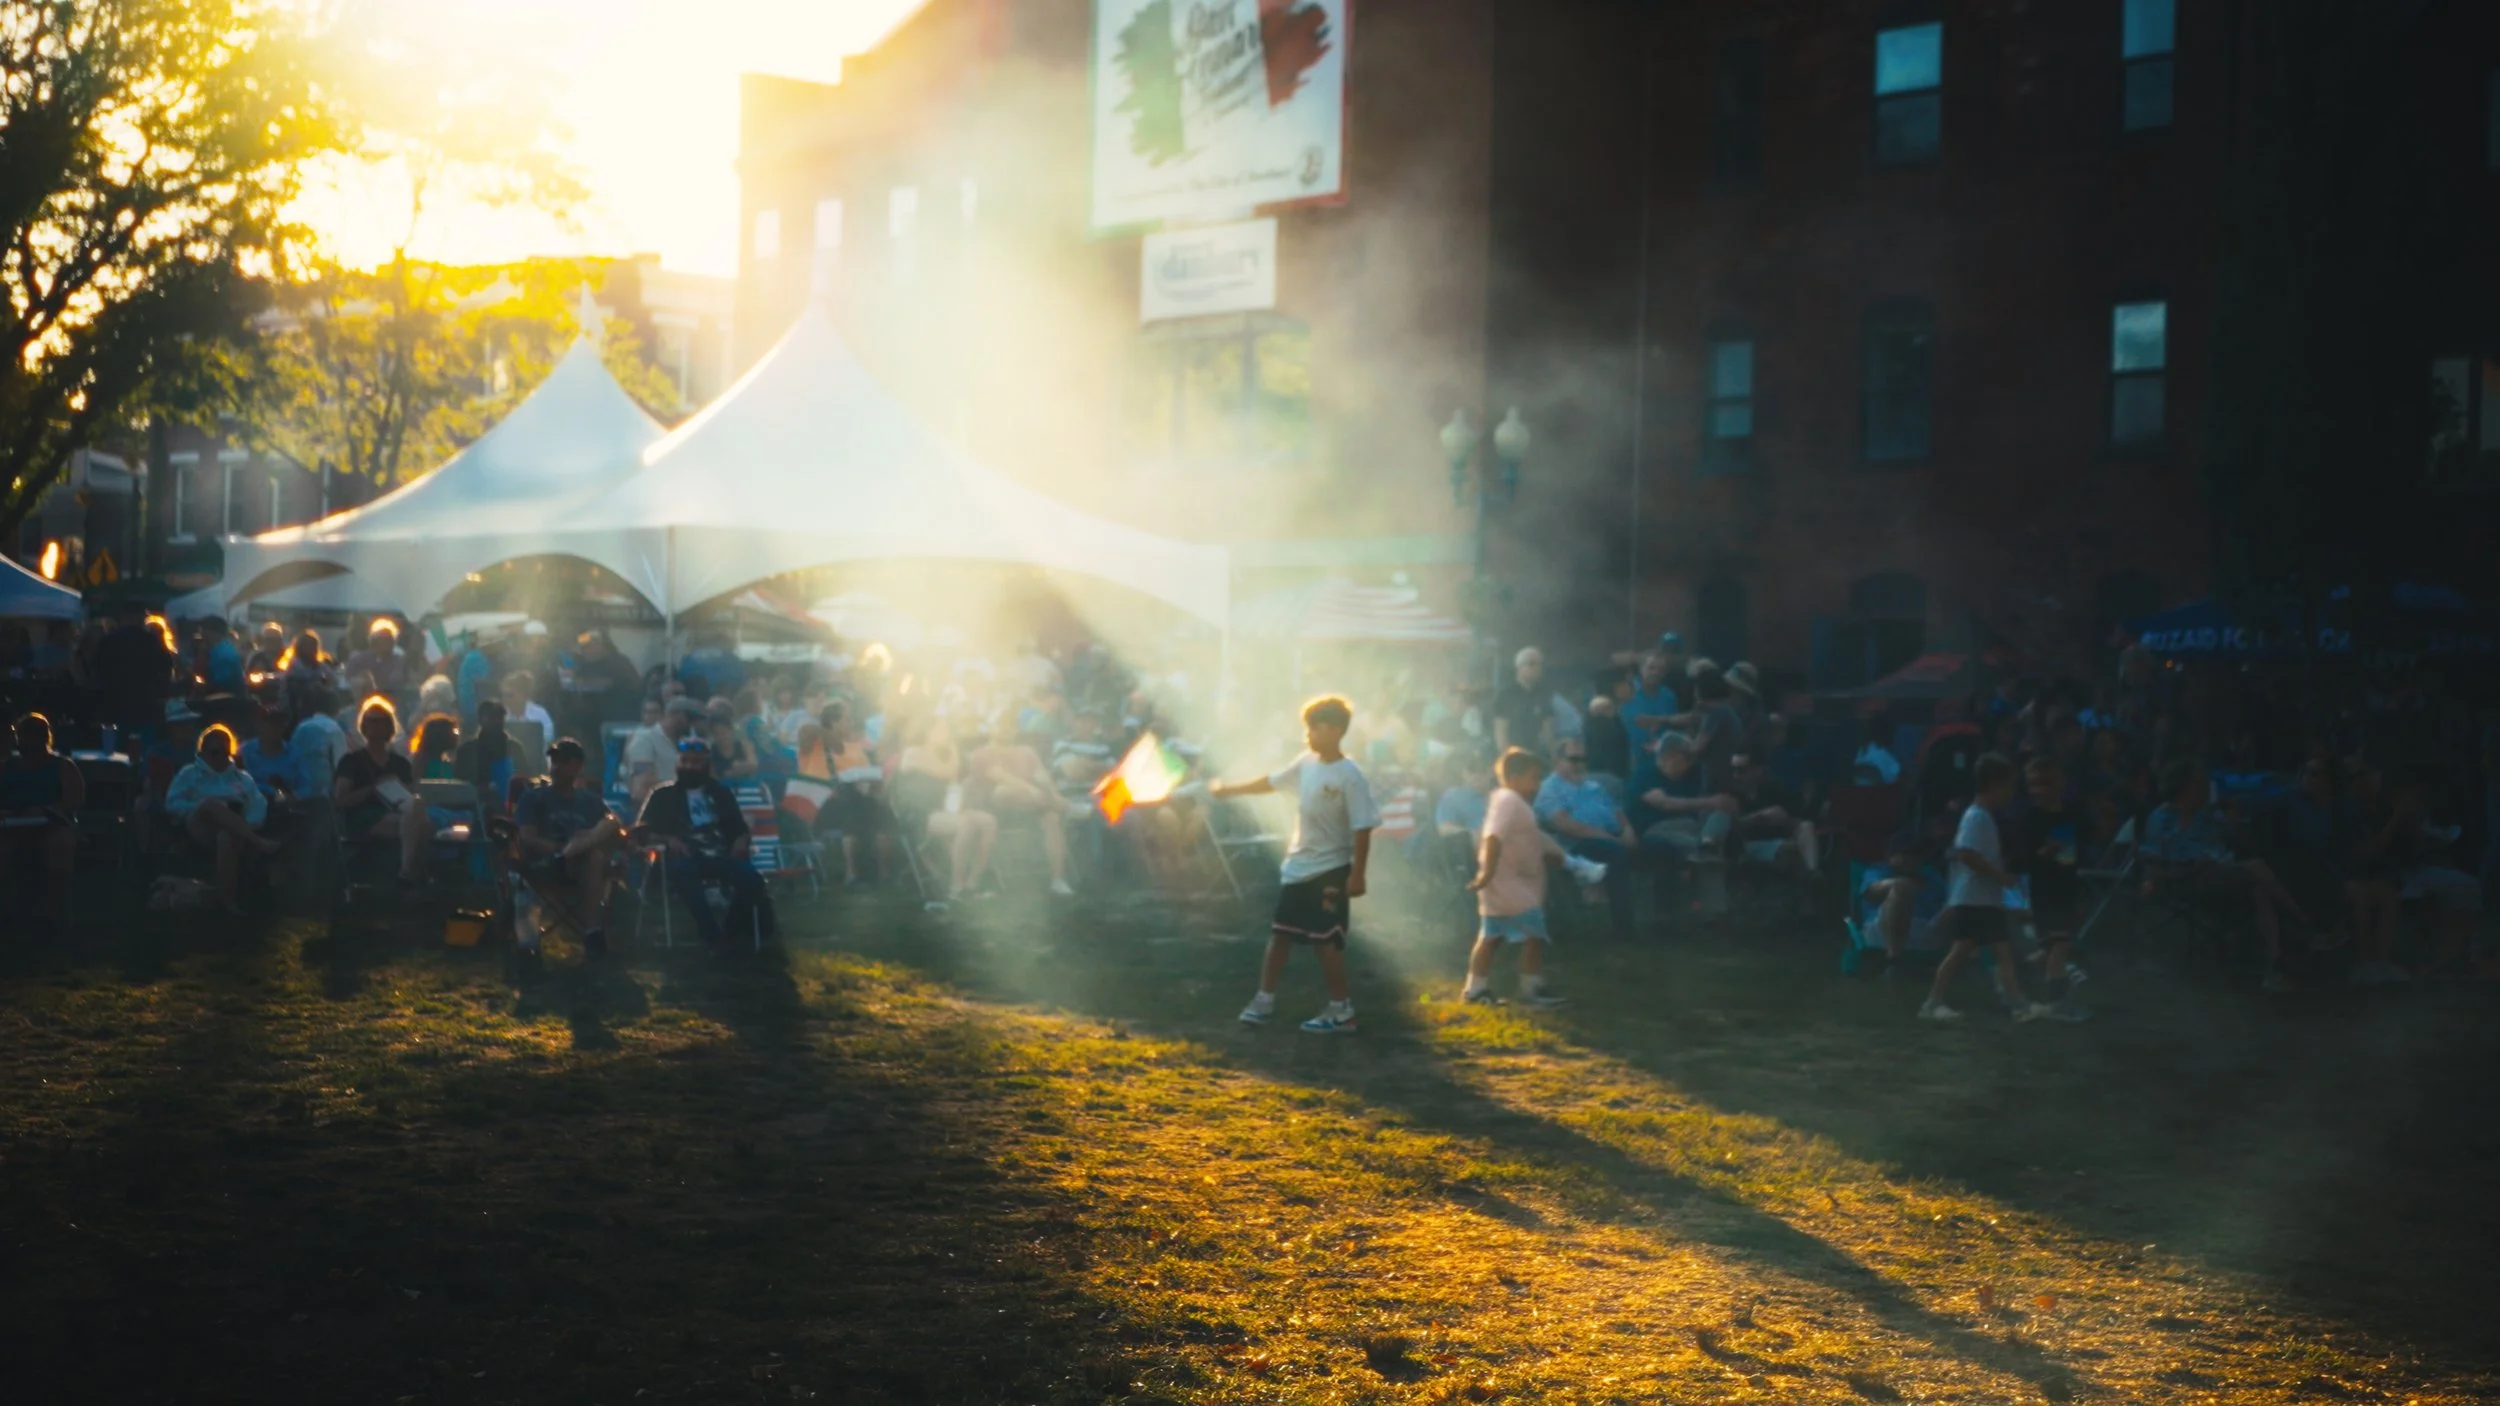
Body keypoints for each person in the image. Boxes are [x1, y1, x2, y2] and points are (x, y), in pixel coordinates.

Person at [1204, 695, 1380, 1035]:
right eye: (1308, 727)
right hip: (1297, 867)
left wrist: (1357, 873)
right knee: (1280, 936)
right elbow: (1271, 781)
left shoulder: (1350, 775)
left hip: (1330, 869)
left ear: (1335, 730)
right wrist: (1229, 790)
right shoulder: (1305, 763)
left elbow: (1363, 826)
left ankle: (1342, 1010)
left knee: (1325, 942)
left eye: (1315, 727)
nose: (1309, 734)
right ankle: (1263, 1001)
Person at [2144, 759, 2308, 992]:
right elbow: (2152, 866)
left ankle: (2274, 966)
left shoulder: (2208, 815)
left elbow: (2244, 845)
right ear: (2188, 787)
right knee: (2254, 868)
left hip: (2223, 876)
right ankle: (2304, 922)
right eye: (2201, 783)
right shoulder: (2161, 819)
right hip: (2185, 881)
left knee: (2257, 887)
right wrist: (2187, 869)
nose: (2208, 787)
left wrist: (2234, 822)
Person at [1919, 754, 2048, 1022]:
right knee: (1981, 952)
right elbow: (1966, 853)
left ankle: (2016, 1004)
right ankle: (1935, 1004)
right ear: (1994, 785)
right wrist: (1999, 876)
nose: (2012, 793)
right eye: (2010, 786)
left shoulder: (1983, 816)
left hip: (1983, 899)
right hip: (1975, 899)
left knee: (1992, 951)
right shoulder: (1976, 816)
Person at [636, 736, 772, 949]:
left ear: (706, 765)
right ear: (677, 763)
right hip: (683, 858)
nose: (690, 766)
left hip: (721, 856)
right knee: (683, 871)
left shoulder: (721, 793)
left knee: (753, 880)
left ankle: (730, 929)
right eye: (685, 761)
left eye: (696, 762)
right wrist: (668, 839)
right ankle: (711, 934)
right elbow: (640, 833)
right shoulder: (662, 795)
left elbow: (741, 830)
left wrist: (741, 841)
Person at [1464, 747, 1571, 1008]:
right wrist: (1487, 874)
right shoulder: (1508, 800)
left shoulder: (1510, 801)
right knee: (1533, 932)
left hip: (1504, 884)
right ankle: (1531, 989)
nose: (1535, 785)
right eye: (1532, 778)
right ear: (1513, 776)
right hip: (1504, 883)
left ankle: (1475, 989)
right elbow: (1492, 837)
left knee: (1492, 936)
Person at [512, 737, 628, 958]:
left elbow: (614, 830)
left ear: (578, 767)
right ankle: (593, 931)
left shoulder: (590, 801)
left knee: (609, 825)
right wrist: (562, 846)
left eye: (564, 761)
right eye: (553, 760)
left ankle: (576, 847)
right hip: (548, 865)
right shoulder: (533, 797)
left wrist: (582, 841)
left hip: (582, 865)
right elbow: (528, 838)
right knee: (594, 853)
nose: (556, 766)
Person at [164, 723, 281, 913]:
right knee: (211, 805)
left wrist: (247, 823)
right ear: (203, 752)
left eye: (225, 752)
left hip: (235, 831)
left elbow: (258, 803)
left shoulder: (241, 778)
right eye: (215, 752)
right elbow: (172, 803)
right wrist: (200, 808)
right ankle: (258, 842)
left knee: (226, 836)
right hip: (199, 826)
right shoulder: (189, 774)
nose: (221, 757)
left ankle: (228, 901)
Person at [2007, 755, 2090, 1018]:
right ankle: (2058, 1002)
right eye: (2034, 784)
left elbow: (2081, 845)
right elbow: (2021, 859)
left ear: (2061, 783)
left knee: (2050, 945)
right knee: (2059, 944)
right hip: (2044, 890)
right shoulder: (2029, 818)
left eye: (2047, 782)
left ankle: (2013, 970)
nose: (2041, 789)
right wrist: (2044, 852)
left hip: (2068, 887)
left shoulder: (2071, 814)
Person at [1532, 739, 1639, 941]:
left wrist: (1627, 829)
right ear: (1557, 760)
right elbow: (1566, 825)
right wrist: (1609, 838)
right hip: (1575, 846)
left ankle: (1667, 921)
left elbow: (1616, 811)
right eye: (1573, 759)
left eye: (1583, 759)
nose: (1580, 764)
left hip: (1611, 839)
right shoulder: (1549, 789)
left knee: (1661, 848)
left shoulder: (1593, 785)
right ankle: (1624, 928)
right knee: (1616, 853)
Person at [891, 716, 996, 909]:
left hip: (942, 810)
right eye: (942, 730)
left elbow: (953, 782)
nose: (947, 734)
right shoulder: (912, 752)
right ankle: (956, 886)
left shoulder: (942, 755)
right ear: (927, 732)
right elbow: (946, 772)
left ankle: (972, 883)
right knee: (966, 824)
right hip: (919, 813)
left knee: (988, 821)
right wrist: (954, 751)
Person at [967, 712, 1075, 896]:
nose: (1006, 729)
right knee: (1003, 791)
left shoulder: (1027, 752)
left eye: (1010, 725)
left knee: (1052, 819)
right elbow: (998, 775)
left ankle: (1058, 880)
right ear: (991, 728)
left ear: (1016, 729)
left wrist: (1054, 794)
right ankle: (1058, 805)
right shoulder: (981, 753)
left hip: (1032, 808)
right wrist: (1033, 792)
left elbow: (1043, 777)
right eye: (1001, 724)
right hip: (997, 811)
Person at [2, 712, 85, 926]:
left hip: (52, 824)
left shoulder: (62, 766)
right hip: (11, 826)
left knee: (60, 845)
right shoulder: (7, 767)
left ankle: (54, 912)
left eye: (36, 734)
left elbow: (73, 800)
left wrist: (44, 810)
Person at [333, 700, 429, 885]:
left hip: (397, 813)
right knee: (422, 827)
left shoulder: (400, 763)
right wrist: (373, 789)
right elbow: (340, 800)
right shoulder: (352, 761)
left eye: (382, 721)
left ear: (389, 726)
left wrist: (396, 787)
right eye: (371, 721)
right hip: (363, 817)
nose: (377, 726)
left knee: (420, 819)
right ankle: (412, 875)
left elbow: (409, 795)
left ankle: (406, 874)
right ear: (364, 725)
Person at [624, 697, 696, 810]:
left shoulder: (685, 743)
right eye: (691, 722)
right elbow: (640, 789)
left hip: (684, 812)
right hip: (656, 813)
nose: (693, 728)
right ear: (680, 718)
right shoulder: (645, 741)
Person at [453, 699, 524, 810]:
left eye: (500, 717)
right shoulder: (467, 750)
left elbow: (524, 778)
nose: (497, 721)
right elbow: (460, 786)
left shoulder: (514, 748)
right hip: (475, 807)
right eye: (491, 717)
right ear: (480, 720)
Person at [1492, 647, 1562, 753]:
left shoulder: (1543, 694)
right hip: (1513, 755)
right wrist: (1508, 756)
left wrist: (1554, 755)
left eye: (1539, 664)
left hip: (1536, 754)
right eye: (1531, 664)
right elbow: (1501, 732)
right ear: (1519, 667)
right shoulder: (1506, 696)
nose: (1536, 668)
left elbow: (1548, 730)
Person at [237, 706, 306, 800]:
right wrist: (270, 792)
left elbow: (306, 785)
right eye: (272, 722)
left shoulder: (294, 752)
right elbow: (239, 782)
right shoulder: (246, 751)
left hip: (289, 807)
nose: (278, 726)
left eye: (281, 723)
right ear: (259, 724)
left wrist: (296, 796)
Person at [1623, 652, 1682, 748]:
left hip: (1660, 758)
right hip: (1628, 757)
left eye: (1661, 669)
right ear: (1641, 668)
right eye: (1651, 668)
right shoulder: (1624, 692)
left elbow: (1672, 727)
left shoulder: (1669, 696)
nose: (1655, 673)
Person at [501, 670, 555, 748]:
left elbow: (548, 744)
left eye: (509, 695)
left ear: (522, 694)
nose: (505, 699)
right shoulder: (500, 716)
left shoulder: (541, 715)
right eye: (504, 695)